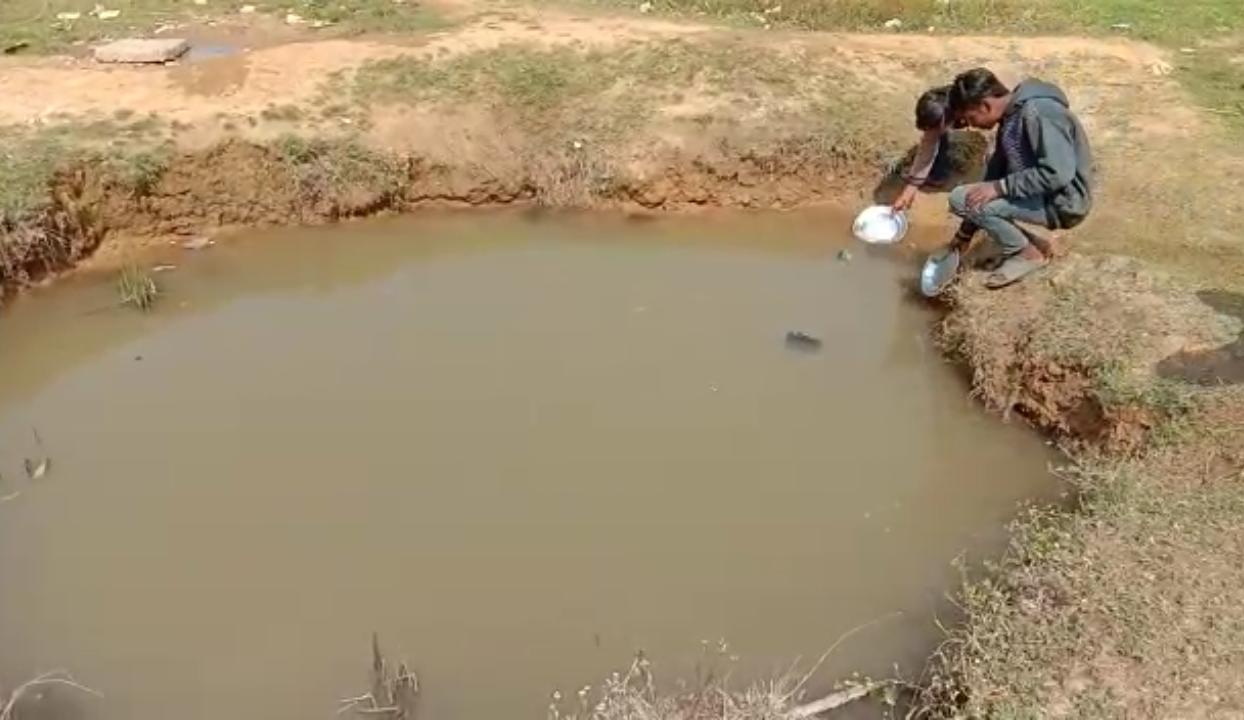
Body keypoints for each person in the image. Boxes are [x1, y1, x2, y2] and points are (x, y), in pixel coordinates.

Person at [946, 68, 1093, 288]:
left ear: (984, 106)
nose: (972, 126)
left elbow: (1057, 173)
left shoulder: (1040, 113)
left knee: (975, 203)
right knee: (962, 198)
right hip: (1043, 193)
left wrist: (1000, 187)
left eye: (970, 118)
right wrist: (965, 233)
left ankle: (1029, 254)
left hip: (1063, 202)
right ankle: (1033, 245)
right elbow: (993, 175)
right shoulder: (1011, 118)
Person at [891, 85, 955, 212]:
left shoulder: (975, 107)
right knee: (938, 137)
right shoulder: (941, 108)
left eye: (937, 127)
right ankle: (938, 176)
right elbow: (928, 146)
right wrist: (908, 192)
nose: (931, 132)